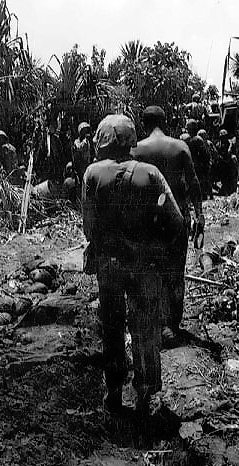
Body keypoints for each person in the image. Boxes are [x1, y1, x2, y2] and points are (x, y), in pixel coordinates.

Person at [82, 114, 184, 419]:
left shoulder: (92, 174)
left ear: (102, 139)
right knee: (146, 327)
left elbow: (89, 228)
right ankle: (145, 392)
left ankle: (113, 391)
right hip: (145, 266)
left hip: (110, 265)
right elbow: (176, 221)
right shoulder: (151, 174)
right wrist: (157, 249)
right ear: (131, 140)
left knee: (112, 328)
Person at [131, 106, 205, 344]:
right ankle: (171, 325)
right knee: (175, 273)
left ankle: (152, 320)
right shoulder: (180, 147)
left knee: (149, 269)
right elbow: (194, 184)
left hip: (147, 222)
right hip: (177, 219)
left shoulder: (136, 150)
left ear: (143, 124)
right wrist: (199, 216)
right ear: (165, 122)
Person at [184, 119, 212, 200]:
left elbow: (203, 153)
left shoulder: (194, 139)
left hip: (197, 165)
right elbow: (204, 154)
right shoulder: (197, 139)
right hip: (198, 165)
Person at [215, 129, 239, 195]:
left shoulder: (230, 143)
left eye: (224, 137)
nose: (223, 139)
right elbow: (217, 154)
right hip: (223, 163)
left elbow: (231, 152)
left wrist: (229, 153)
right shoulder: (218, 145)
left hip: (230, 161)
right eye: (222, 137)